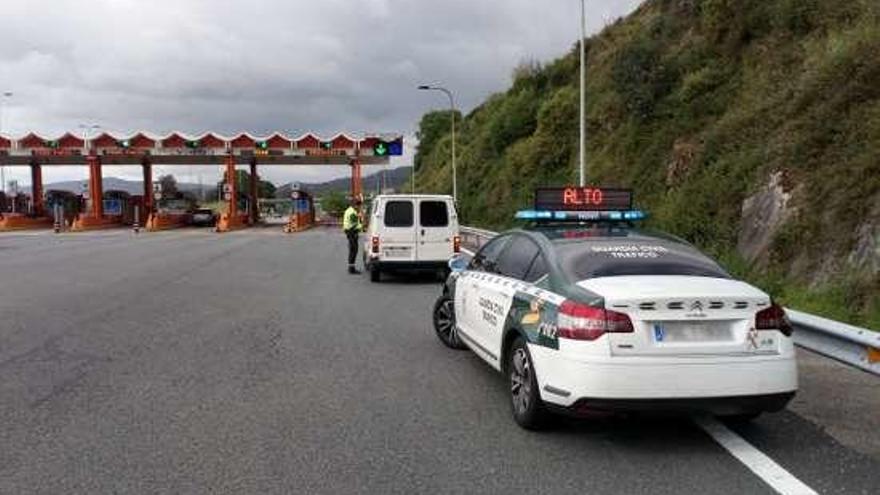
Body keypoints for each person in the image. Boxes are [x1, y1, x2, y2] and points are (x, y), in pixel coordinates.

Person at [342, 198, 363, 274]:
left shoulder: (349, 210)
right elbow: (355, 223)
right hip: (352, 232)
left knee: (352, 250)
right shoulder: (352, 213)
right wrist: (360, 217)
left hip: (350, 232)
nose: (360, 207)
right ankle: (351, 268)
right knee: (353, 250)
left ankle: (351, 267)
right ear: (355, 205)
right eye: (359, 205)